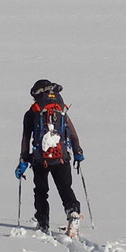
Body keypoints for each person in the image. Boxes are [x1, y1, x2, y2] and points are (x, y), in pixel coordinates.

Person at [16, 79, 83, 236]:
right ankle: (73, 213)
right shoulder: (60, 110)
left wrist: (23, 161)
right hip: (62, 157)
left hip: (40, 160)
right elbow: (72, 134)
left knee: (40, 191)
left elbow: (26, 139)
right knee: (65, 188)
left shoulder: (31, 113)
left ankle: (43, 221)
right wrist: (78, 151)